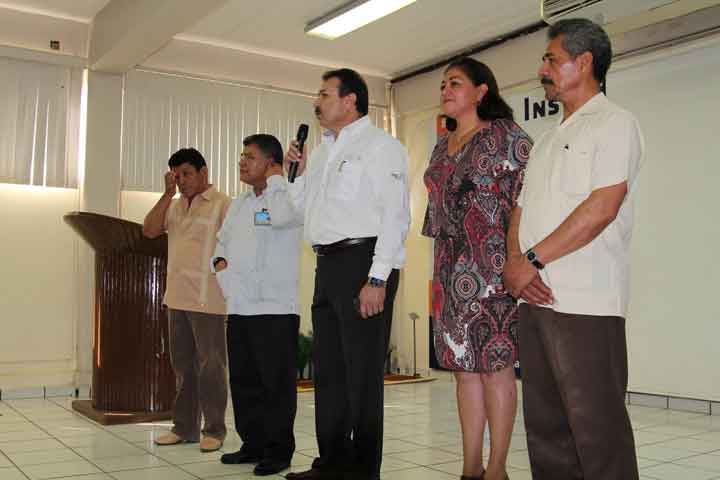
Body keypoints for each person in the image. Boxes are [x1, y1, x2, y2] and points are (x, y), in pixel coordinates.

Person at [503, 18, 644, 480]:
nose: (542, 69)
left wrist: (531, 262)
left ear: (583, 63)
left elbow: (602, 207)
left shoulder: (615, 123)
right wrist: (516, 265)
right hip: (535, 300)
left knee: (597, 431)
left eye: (551, 59)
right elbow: (520, 211)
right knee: (546, 431)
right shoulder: (545, 140)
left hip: (587, 303)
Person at [283, 68, 410, 480]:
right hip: (327, 264)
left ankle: (364, 470)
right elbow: (301, 213)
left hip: (363, 262)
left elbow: (396, 216)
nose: (316, 101)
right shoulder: (322, 153)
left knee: (362, 374)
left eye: (324, 94)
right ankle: (332, 463)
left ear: (350, 100)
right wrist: (296, 175)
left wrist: (377, 279)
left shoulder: (382, 146)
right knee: (330, 372)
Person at [422, 57, 532, 480]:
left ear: (481, 91)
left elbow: (527, 200)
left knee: (495, 368)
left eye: (455, 83)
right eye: (443, 84)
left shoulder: (506, 136)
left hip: (492, 267)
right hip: (449, 268)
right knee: (462, 371)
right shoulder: (442, 144)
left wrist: (518, 258)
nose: (445, 90)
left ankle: (497, 468)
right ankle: (471, 466)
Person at [212, 134, 302, 476]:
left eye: (250, 157)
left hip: (275, 308)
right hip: (240, 307)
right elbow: (220, 247)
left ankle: (278, 451)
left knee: (275, 386)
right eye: (242, 155)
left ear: (271, 162)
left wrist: (279, 178)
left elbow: (278, 218)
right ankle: (253, 444)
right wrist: (224, 275)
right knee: (244, 382)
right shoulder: (239, 204)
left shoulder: (288, 197)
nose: (242, 162)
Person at [142, 147, 230, 453]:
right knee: (182, 368)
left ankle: (214, 430)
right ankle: (184, 428)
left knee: (212, 367)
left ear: (203, 172)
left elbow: (234, 248)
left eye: (186, 174)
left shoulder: (223, 204)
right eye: (176, 176)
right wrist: (167, 195)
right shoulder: (175, 205)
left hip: (208, 299)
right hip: (177, 298)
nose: (181, 181)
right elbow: (149, 229)